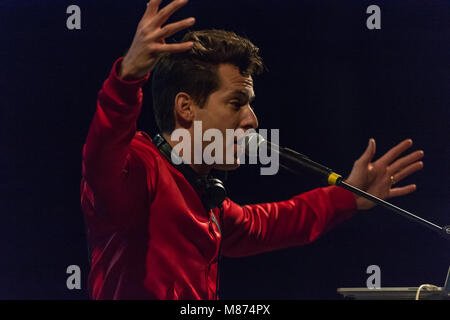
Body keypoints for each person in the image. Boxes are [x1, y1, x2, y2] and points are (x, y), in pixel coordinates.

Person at [80, 0, 424, 299]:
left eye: (250, 104)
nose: (252, 121)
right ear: (185, 108)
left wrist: (348, 196)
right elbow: (100, 156)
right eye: (236, 103)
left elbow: (267, 224)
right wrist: (126, 79)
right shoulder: (138, 170)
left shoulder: (203, 194)